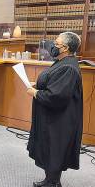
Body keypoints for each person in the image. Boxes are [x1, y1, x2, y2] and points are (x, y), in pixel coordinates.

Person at [26, 32, 83, 187]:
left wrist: (36, 93)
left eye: (56, 44)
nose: (53, 46)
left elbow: (57, 96)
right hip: (52, 117)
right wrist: (38, 85)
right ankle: (51, 181)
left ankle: (52, 183)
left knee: (54, 150)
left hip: (59, 119)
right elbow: (53, 82)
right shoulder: (62, 61)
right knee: (49, 149)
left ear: (65, 48)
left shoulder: (68, 67)